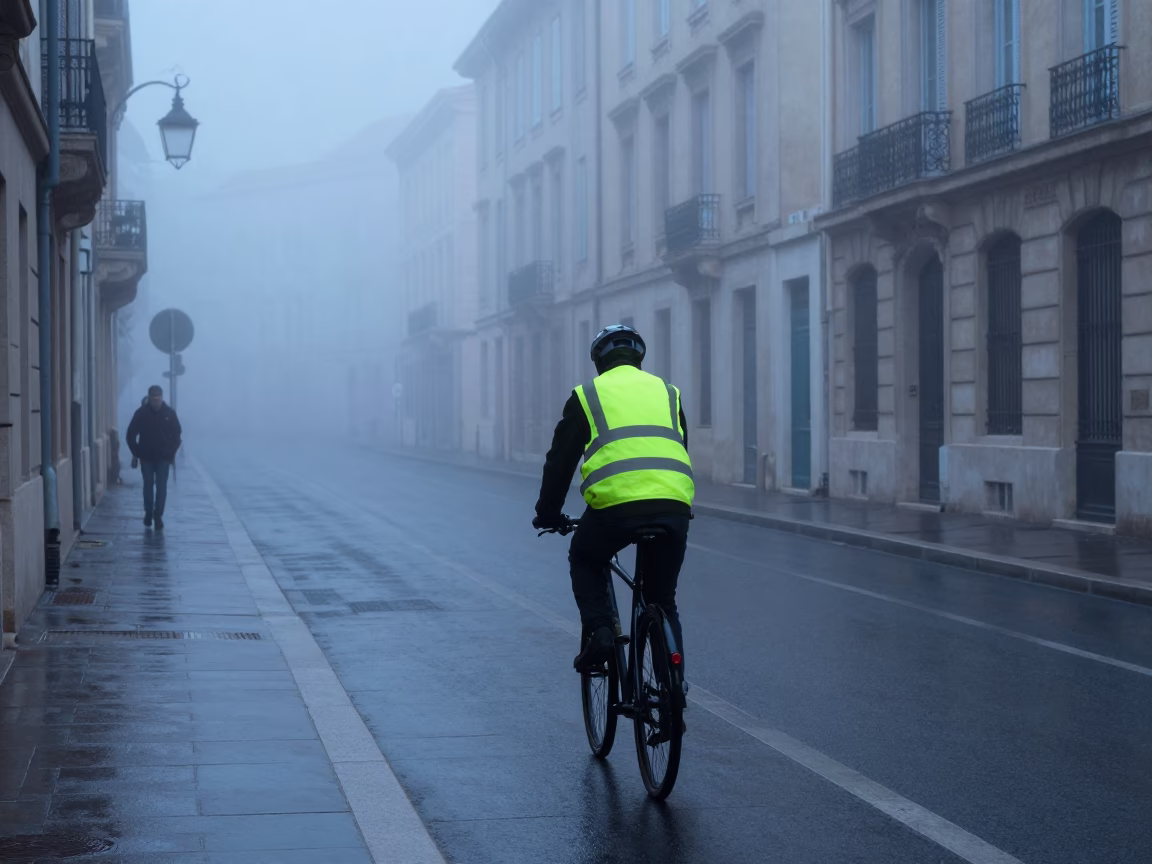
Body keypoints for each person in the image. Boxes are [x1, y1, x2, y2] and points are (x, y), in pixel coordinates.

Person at [533, 324, 694, 671]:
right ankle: (674, 692)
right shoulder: (669, 392)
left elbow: (560, 462)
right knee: (663, 600)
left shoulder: (587, 395)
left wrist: (548, 513)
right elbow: (680, 447)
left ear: (598, 361)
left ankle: (602, 632)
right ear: (639, 358)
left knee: (585, 557)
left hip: (614, 510)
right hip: (674, 505)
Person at [126, 385, 182, 530]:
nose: (156, 403)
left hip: (163, 458)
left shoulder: (169, 413)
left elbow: (177, 435)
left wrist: (170, 453)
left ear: (162, 398)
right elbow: (130, 434)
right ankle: (148, 512)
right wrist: (136, 452)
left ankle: (158, 515)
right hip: (147, 457)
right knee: (148, 485)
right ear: (149, 399)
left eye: (158, 399)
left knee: (162, 487)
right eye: (154, 399)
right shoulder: (142, 413)